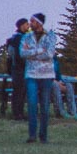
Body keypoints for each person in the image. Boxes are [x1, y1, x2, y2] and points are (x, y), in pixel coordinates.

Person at [20, 14, 57, 144]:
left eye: (33, 21)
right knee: (31, 104)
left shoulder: (50, 36)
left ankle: (43, 136)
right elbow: (22, 53)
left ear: (39, 23)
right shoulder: (26, 37)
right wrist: (40, 50)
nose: (30, 23)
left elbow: (50, 54)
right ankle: (32, 135)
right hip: (31, 74)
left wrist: (32, 53)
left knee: (45, 106)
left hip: (46, 75)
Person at [2, 18, 31, 120]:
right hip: (19, 68)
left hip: (19, 68)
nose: (28, 26)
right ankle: (17, 114)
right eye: (27, 24)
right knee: (19, 91)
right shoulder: (18, 38)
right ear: (22, 26)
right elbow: (19, 55)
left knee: (21, 92)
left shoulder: (19, 37)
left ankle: (20, 113)